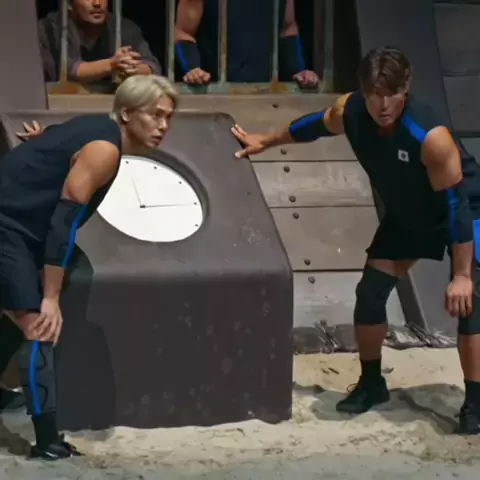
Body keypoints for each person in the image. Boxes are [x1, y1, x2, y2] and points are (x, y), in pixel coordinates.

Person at [231, 46, 480, 435]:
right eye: (374, 94)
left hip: (465, 209)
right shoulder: (350, 112)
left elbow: (455, 205)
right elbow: (312, 126)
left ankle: (475, 403)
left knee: (472, 302)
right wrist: (268, 140)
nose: (383, 104)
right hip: (409, 212)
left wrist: (461, 275)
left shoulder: (431, 137)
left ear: (406, 87)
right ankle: (371, 383)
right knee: (370, 294)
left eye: (392, 93)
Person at [0, 74, 178, 459]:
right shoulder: (104, 151)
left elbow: (57, 137)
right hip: (7, 229)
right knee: (38, 326)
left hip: (19, 229)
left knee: (21, 311)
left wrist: (41, 144)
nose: (163, 126)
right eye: (155, 115)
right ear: (127, 113)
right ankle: (47, 442)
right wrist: (51, 297)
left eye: (168, 117)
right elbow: (62, 224)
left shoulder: (95, 127)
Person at [174, 0, 318, 87]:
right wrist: (193, 69)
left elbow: (287, 29)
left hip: (267, 90)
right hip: (214, 89)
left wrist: (298, 71)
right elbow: (183, 32)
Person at [39, 0, 162, 92]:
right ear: (69, 4)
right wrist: (113, 64)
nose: (97, 3)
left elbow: (152, 66)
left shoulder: (122, 27)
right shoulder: (50, 28)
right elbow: (69, 70)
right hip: (61, 103)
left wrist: (132, 68)